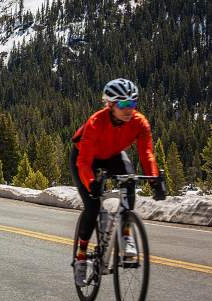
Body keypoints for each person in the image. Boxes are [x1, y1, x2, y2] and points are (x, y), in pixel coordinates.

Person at [71, 78, 166, 286]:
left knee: (130, 180)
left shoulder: (139, 122)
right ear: (110, 104)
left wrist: (154, 179)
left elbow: (147, 153)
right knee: (93, 205)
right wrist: (91, 183)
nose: (128, 109)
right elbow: (84, 162)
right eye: (123, 104)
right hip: (85, 158)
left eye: (132, 103)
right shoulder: (96, 122)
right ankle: (81, 257)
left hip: (113, 155)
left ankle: (126, 234)